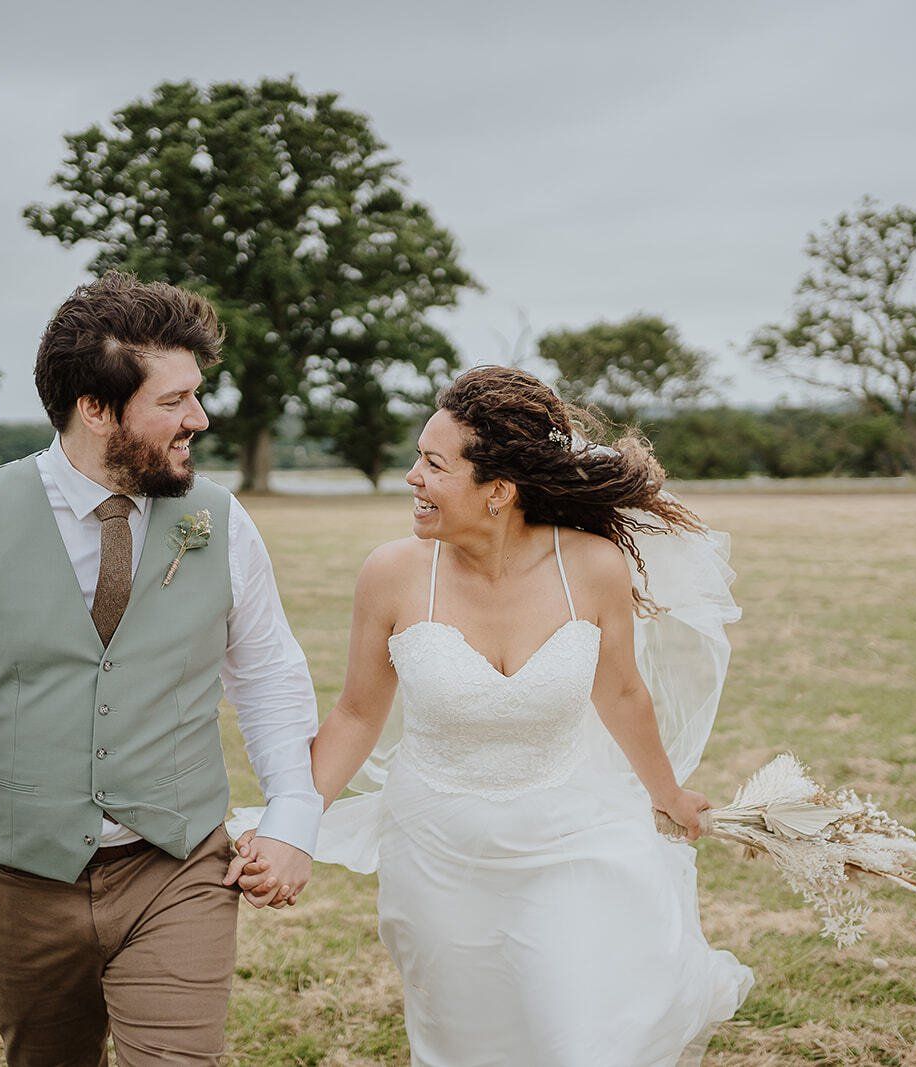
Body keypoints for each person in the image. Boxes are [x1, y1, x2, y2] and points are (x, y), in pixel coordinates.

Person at [0, 272, 317, 1066]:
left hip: (178, 868)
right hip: (17, 882)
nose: (199, 419)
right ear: (95, 408)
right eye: (174, 401)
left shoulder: (222, 521)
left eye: (197, 396)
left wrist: (293, 812)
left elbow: (268, 673)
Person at [232, 365, 755, 1066]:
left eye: (434, 464)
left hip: (571, 838)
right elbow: (356, 715)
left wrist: (668, 793)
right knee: (468, 1044)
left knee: (575, 1038)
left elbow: (623, 693)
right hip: (437, 855)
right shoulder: (391, 574)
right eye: (418, 458)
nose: (413, 476)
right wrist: (290, 824)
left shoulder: (594, 568)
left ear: (498, 491)